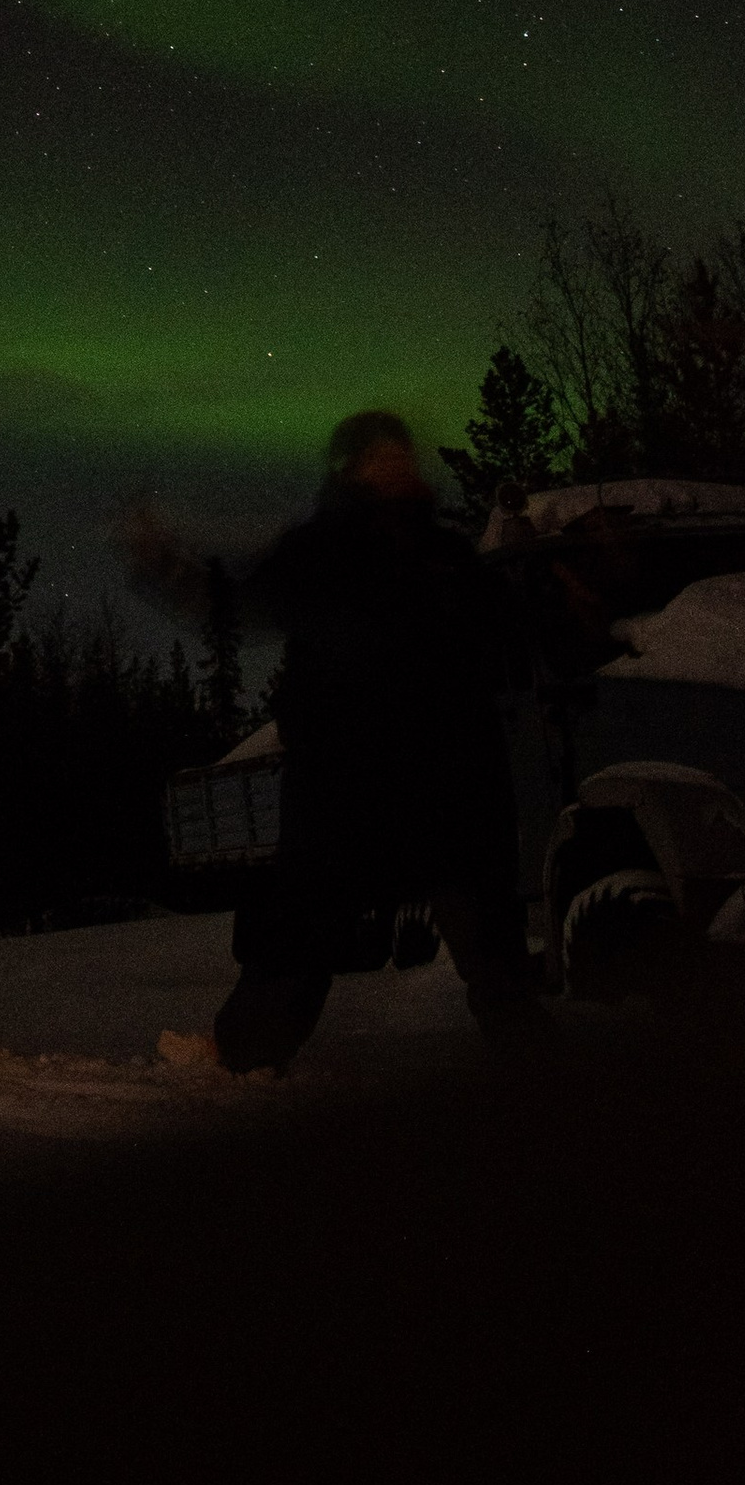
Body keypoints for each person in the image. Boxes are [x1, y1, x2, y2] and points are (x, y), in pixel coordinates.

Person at [130, 410, 546, 1075]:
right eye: (380, 455)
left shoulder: (445, 555)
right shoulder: (318, 552)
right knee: (297, 943)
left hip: (450, 788)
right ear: (351, 468)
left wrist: (582, 606)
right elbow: (235, 603)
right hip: (344, 792)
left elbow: (514, 623)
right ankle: (241, 1058)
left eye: (401, 453)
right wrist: (163, 564)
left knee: (492, 950)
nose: (397, 464)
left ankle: (539, 1073)